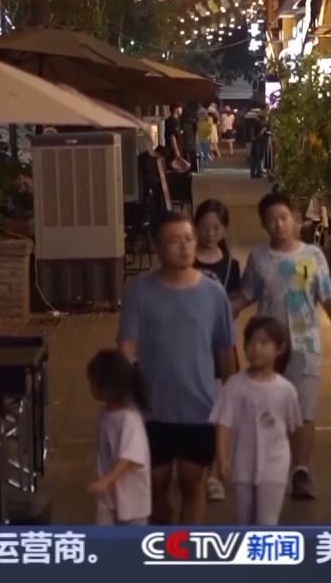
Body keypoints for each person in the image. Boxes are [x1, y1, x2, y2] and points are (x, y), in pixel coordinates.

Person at [118, 211, 237, 523]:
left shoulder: (213, 293)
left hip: (200, 408)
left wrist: (233, 400)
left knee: (192, 481)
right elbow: (126, 347)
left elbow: (225, 351)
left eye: (188, 239)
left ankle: (186, 548)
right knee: (157, 484)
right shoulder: (139, 291)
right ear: (157, 247)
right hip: (151, 409)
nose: (184, 247)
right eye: (174, 241)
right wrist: (122, 398)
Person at [233, 192, 331, 499]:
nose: (279, 224)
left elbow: (327, 297)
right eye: (272, 220)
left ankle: (300, 470)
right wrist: (220, 315)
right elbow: (246, 296)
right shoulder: (259, 259)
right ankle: (269, 465)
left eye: (284, 217)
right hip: (267, 349)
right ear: (264, 224)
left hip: (305, 344)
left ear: (294, 219)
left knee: (304, 410)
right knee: (268, 408)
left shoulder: (312, 256)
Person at [210, 316, 302, 525]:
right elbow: (223, 424)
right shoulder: (234, 385)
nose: (255, 349)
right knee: (245, 520)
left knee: (267, 522)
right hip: (242, 465)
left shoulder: (286, 390)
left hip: (275, 466)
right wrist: (222, 458)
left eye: (263, 343)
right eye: (250, 343)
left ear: (279, 349)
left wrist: (295, 465)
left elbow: (293, 430)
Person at [193, 198, 242, 502]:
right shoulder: (185, 259)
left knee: (220, 411)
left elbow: (234, 303)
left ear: (224, 230)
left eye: (216, 228)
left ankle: (215, 473)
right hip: (189, 348)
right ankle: (195, 469)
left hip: (220, 347)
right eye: (205, 227)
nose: (210, 233)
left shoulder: (231, 266)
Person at [86, 349, 151, 525]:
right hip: (109, 496)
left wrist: (105, 481)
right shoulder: (105, 414)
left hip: (132, 500)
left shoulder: (130, 419)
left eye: (93, 383)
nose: (90, 387)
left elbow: (128, 459)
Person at [164, 105, 187, 169]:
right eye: (180, 107)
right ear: (175, 109)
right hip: (172, 149)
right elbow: (172, 136)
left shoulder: (177, 121)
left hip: (179, 147)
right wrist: (176, 150)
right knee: (175, 167)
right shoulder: (171, 121)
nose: (181, 109)